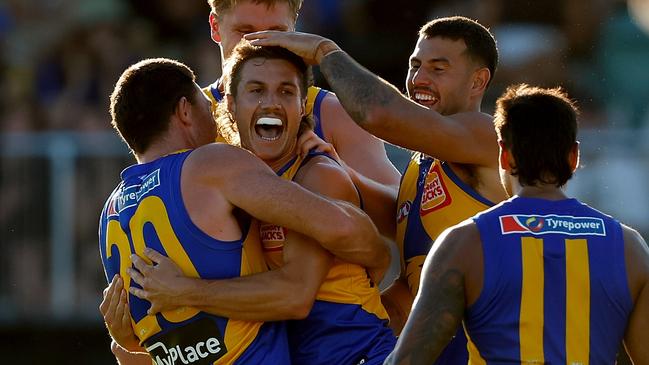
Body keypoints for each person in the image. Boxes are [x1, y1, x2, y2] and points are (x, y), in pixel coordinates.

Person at [107, 43, 395, 365]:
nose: (270, 102)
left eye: (286, 92)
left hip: (357, 356)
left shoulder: (314, 173)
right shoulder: (220, 179)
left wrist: (376, 253)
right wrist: (131, 338)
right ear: (229, 106)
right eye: (256, 91)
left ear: (303, 107)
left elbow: (297, 293)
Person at [245, 16, 508, 362]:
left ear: (478, 81)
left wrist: (326, 53)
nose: (420, 79)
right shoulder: (420, 165)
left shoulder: (485, 134)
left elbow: (376, 114)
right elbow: (408, 289)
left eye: (438, 68)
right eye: (416, 65)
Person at [384, 84, 649, 364]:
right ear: (574, 157)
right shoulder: (629, 248)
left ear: (504, 154)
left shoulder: (463, 244)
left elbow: (406, 361)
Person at [203, 0, 400, 188]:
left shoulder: (332, 113)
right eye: (246, 32)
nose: (259, 46)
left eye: (275, 33)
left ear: (294, 28)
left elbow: (400, 209)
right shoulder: (190, 116)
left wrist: (344, 174)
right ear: (214, 26)